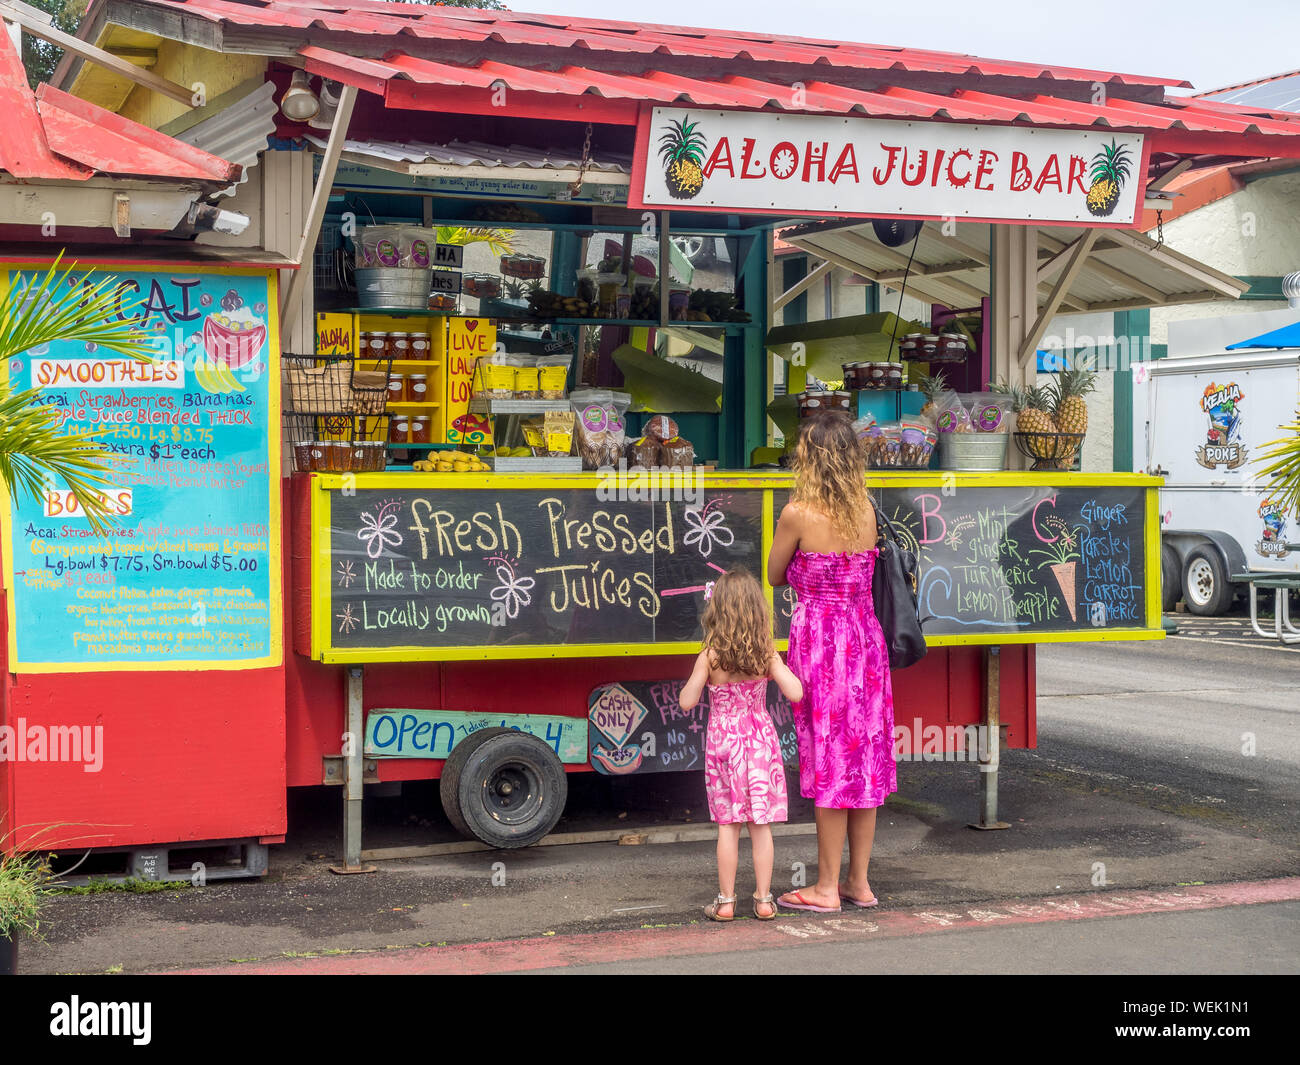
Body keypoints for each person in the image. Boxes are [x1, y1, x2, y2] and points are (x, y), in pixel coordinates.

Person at [767, 411, 897, 913]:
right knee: (862, 762)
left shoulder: (797, 513)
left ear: (809, 457)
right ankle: (859, 883)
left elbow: (776, 574)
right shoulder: (865, 509)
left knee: (829, 763)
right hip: (865, 641)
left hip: (822, 644)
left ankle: (824, 887)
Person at [679, 569, 804, 921]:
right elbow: (795, 692)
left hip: (724, 743)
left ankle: (726, 902)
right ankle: (764, 900)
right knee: (760, 825)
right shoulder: (766, 654)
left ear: (718, 609)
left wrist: (698, 678)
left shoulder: (710, 656)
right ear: (756, 611)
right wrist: (775, 663)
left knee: (728, 825)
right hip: (760, 740)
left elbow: (687, 702)